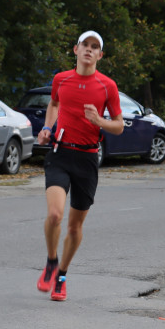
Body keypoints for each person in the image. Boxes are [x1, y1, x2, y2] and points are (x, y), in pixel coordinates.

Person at [35, 31, 124, 301]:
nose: (88, 49)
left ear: (100, 55)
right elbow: (54, 103)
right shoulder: (61, 79)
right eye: (85, 45)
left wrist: (100, 121)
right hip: (60, 153)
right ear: (75, 49)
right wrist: (47, 127)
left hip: (87, 158)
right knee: (54, 215)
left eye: (94, 46)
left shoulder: (107, 86)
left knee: (74, 227)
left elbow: (119, 126)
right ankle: (51, 261)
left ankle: (62, 274)